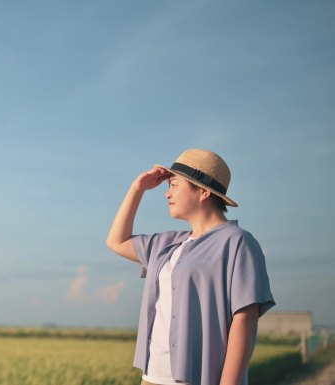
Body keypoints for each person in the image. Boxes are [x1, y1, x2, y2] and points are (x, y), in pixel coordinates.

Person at [106, 149, 275, 385]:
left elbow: (245, 320)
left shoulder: (237, 242)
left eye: (174, 185)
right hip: (151, 378)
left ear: (204, 191)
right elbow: (117, 241)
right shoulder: (166, 244)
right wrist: (138, 189)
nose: (167, 194)